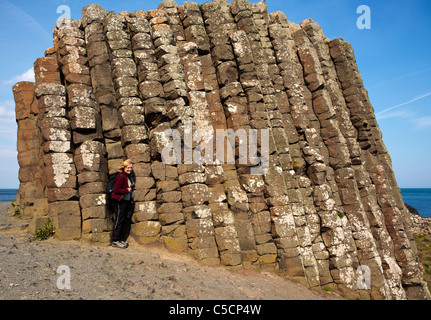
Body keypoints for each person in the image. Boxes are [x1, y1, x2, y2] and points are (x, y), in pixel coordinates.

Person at [110, 159, 135, 249]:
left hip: (125, 201)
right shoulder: (121, 176)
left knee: (122, 219)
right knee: (118, 220)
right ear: (124, 167)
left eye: (131, 168)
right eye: (128, 168)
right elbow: (116, 190)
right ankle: (115, 240)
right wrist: (126, 190)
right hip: (119, 201)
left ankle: (119, 239)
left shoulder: (128, 176)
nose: (130, 169)